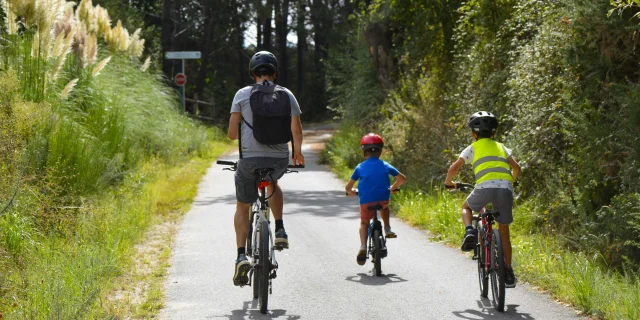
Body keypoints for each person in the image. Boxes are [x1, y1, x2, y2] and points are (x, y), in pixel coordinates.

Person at [227, 51, 304, 286]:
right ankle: (280, 229)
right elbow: (297, 129)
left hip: (249, 160)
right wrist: (297, 153)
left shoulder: (242, 94)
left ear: (253, 73)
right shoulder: (286, 94)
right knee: (272, 182)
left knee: (242, 204)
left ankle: (241, 255)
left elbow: (231, 135)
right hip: (278, 159)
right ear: (275, 72)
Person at [444, 111, 521, 288]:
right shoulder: (502, 147)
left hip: (484, 187)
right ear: (494, 133)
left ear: (473, 133)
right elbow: (516, 167)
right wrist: (513, 180)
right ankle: (508, 271)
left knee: (467, 207)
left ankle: (470, 231)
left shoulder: (472, 147)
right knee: (504, 232)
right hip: (505, 188)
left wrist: (449, 183)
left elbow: (453, 168)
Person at [345, 133, 406, 265]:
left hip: (366, 201)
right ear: (380, 151)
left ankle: (363, 246)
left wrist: (352, 192)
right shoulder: (385, 165)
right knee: (384, 206)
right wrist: (392, 188)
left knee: (364, 222)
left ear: (364, 152)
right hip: (383, 198)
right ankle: (388, 228)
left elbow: (348, 187)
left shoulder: (360, 167)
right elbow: (402, 179)